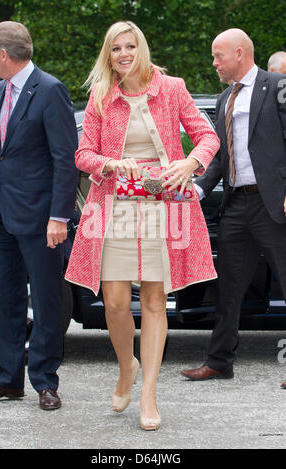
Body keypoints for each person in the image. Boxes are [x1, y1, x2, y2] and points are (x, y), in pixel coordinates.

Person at [65, 21, 219, 430]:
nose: (124, 54)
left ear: (141, 48)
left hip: (162, 207)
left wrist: (190, 162)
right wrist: (110, 163)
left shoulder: (172, 88)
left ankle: (149, 393)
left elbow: (207, 136)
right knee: (114, 301)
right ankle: (126, 368)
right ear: (108, 56)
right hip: (113, 206)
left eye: (130, 46)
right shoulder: (101, 96)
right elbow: (83, 154)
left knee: (154, 299)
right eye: (116, 49)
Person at [180, 29, 286, 383]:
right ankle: (219, 361)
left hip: (273, 204)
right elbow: (221, 158)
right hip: (237, 205)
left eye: (218, 56)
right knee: (228, 287)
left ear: (239, 53)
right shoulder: (225, 99)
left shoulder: (277, 86)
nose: (214, 64)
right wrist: (197, 188)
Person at [0, 21, 78, 409]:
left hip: (42, 220)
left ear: (4, 54)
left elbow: (65, 160)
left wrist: (59, 216)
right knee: (4, 301)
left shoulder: (50, 90)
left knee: (46, 301)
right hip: (1, 216)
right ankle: (8, 379)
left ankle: (44, 381)